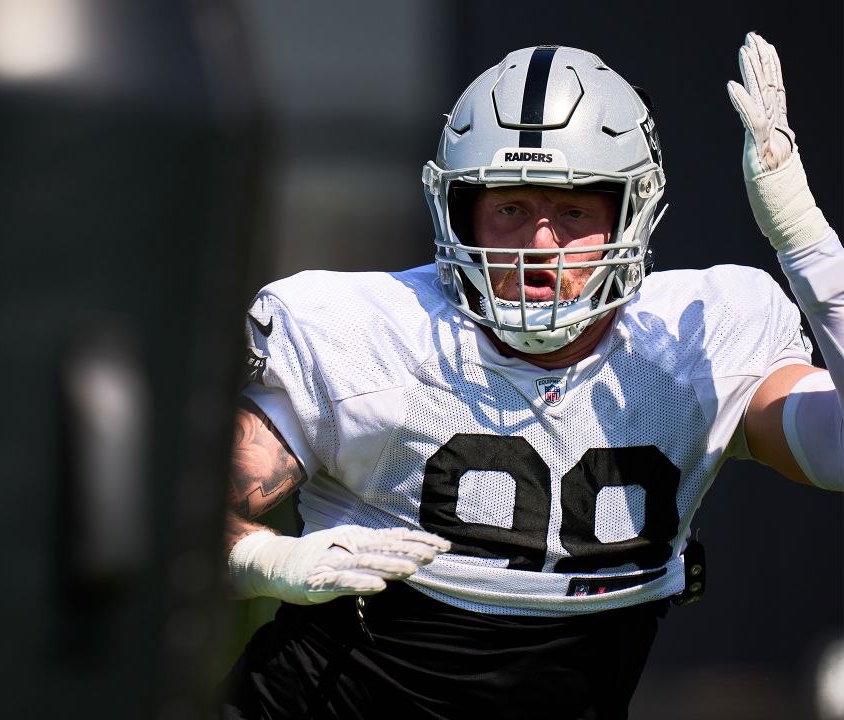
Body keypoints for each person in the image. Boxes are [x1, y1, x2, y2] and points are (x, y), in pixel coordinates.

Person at [221, 33, 842, 719]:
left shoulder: (698, 340)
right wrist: (267, 560)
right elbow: (176, 513)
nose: (540, 245)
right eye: (511, 208)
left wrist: (810, 250)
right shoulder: (367, 335)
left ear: (630, 216)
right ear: (459, 211)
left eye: (573, 211)